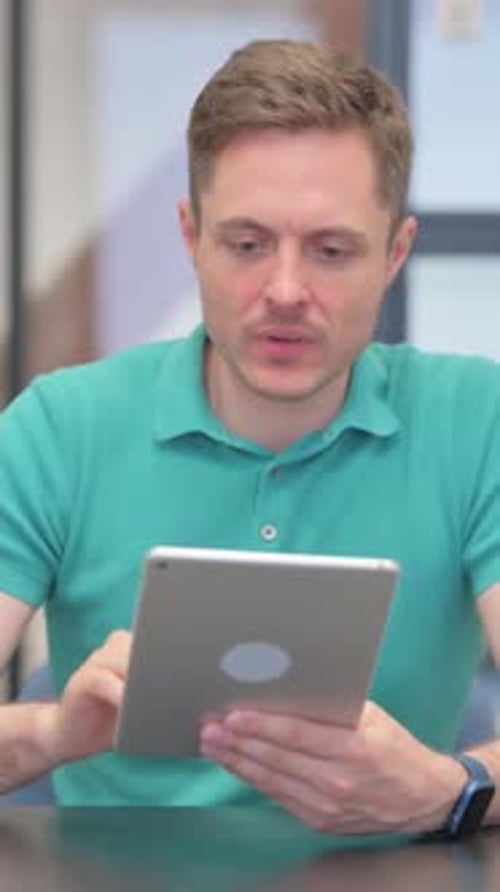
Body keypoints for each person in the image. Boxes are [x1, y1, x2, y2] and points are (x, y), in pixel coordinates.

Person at [0, 39, 499, 839]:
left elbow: (460, 788)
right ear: (191, 235)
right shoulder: (60, 427)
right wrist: (56, 735)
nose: (287, 291)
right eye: (246, 244)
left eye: (332, 251)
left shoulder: (477, 420)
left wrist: (455, 787)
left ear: (395, 253)